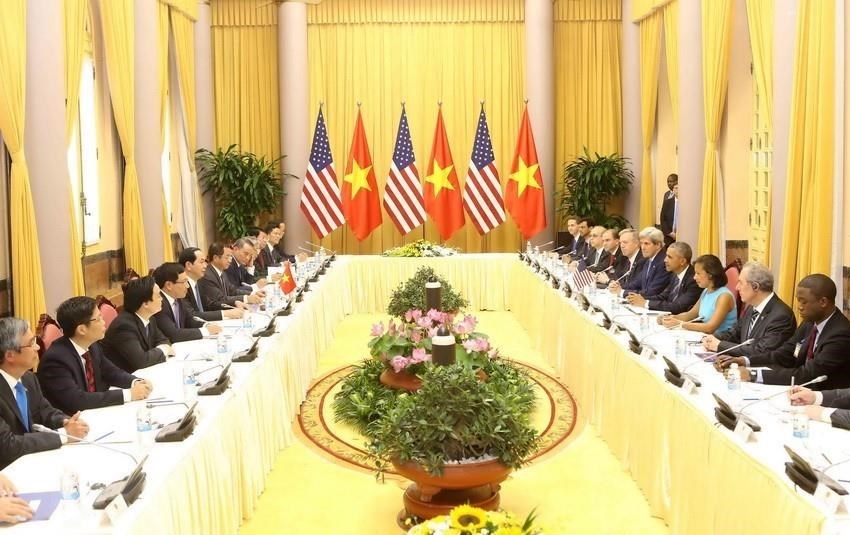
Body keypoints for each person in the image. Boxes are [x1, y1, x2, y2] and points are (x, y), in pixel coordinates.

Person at [724, 274, 850, 390]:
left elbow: (808, 374)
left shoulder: (840, 334)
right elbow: (785, 353)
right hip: (801, 390)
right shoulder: (810, 322)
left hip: (824, 398)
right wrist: (745, 360)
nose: (799, 307)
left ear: (823, 302)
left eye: (804, 302)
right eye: (798, 300)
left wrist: (753, 374)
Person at [38, 297, 153, 414]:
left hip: (96, 412)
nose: (104, 322)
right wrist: (128, 394)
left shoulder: (92, 345)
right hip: (74, 419)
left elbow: (111, 372)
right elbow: (77, 400)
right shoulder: (56, 360)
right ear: (82, 329)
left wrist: (135, 382)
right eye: (98, 319)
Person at [0, 318, 89, 469]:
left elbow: (44, 410)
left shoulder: (28, 378)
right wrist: (63, 435)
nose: (37, 347)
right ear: (10, 355)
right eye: (31, 343)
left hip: (32, 459)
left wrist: (65, 421)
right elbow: (8, 445)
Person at [703, 262, 796, 361]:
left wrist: (719, 345)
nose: (737, 287)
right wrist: (712, 338)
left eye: (740, 283)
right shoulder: (752, 307)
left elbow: (761, 351)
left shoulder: (781, 316)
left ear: (755, 286)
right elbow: (735, 333)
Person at [102, 276, 174, 373]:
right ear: (145, 304)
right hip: (127, 377)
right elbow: (142, 361)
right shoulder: (124, 326)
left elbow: (163, 339)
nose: (162, 299)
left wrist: (160, 349)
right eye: (158, 296)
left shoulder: (149, 317)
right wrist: (164, 350)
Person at [660, 254, 736, 334]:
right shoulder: (706, 291)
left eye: (698, 273)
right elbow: (691, 314)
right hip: (705, 337)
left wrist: (680, 324)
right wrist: (670, 318)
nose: (694, 277)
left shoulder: (724, 297)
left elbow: (710, 328)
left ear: (710, 275)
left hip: (720, 340)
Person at [153, 263, 223, 343]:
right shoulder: (158, 304)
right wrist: (205, 331)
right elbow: (173, 334)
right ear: (169, 285)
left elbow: (190, 320)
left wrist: (206, 325)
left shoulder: (178, 298)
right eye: (184, 282)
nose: (188, 286)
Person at [625, 242, 701, 314]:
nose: (665, 260)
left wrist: (646, 303)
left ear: (682, 261)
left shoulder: (694, 279)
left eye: (670, 257)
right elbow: (663, 296)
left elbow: (678, 306)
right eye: (666, 256)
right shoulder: (674, 275)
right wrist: (639, 298)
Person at [178, 247, 244, 321]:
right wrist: (225, 314)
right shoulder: (180, 287)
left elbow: (209, 304)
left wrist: (234, 303)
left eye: (205, 262)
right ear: (188, 265)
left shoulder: (199, 282)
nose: (205, 265)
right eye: (201, 262)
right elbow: (192, 315)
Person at [198, 243, 263, 311]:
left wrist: (253, 293)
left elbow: (232, 290)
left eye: (231, 257)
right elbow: (220, 299)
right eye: (227, 257)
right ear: (215, 258)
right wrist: (246, 298)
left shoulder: (222, 272)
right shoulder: (207, 276)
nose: (230, 260)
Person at [611, 227, 670, 297]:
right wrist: (618, 287)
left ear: (658, 245)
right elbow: (636, 284)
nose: (643, 247)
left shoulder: (663, 263)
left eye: (646, 244)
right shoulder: (649, 260)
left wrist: (622, 292)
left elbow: (652, 292)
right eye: (641, 243)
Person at [659, 174, 678, 247]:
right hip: (669, 234)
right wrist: (669, 232)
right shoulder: (666, 194)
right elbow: (663, 216)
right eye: (668, 181)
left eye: (671, 181)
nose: (669, 183)